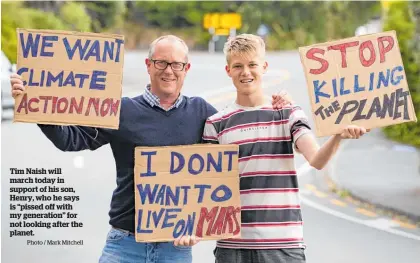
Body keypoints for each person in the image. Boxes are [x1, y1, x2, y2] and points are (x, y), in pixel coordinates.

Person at [10, 35, 291, 263]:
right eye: (161, 63)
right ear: (148, 65)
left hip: (176, 249)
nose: (169, 70)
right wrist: (36, 105)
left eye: (176, 64)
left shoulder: (203, 112)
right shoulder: (121, 111)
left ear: (186, 69)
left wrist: (275, 108)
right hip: (124, 245)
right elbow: (70, 140)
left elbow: (239, 142)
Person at [202, 34, 369, 263]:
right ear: (228, 70)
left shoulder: (288, 113)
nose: (246, 72)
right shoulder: (216, 124)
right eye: (238, 66)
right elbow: (205, 186)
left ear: (265, 67)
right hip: (232, 247)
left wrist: (337, 136)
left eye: (252, 64)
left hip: (283, 246)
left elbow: (317, 161)